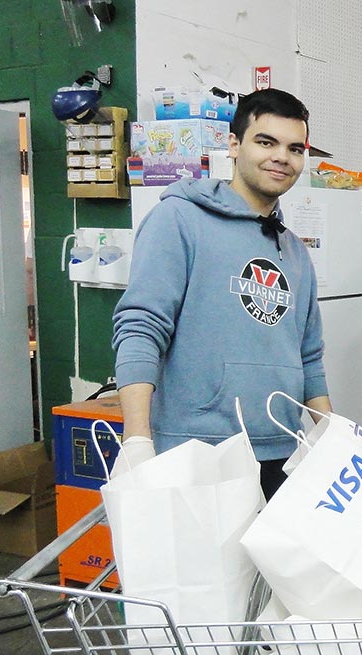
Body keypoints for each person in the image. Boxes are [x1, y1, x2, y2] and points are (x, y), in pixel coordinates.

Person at [112, 88, 331, 500]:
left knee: (269, 569)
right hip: (198, 451)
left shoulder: (295, 251)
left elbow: (309, 355)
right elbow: (140, 328)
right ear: (234, 145)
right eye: (266, 142)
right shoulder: (178, 219)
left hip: (282, 450)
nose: (282, 157)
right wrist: (137, 440)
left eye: (295, 148)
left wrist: (329, 435)